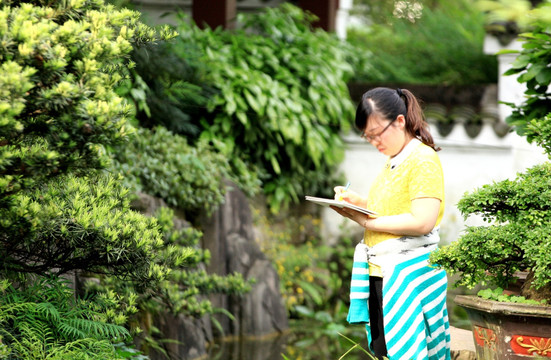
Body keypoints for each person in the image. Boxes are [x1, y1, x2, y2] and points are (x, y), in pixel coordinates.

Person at [330, 87, 451, 360]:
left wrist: (367, 222)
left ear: (399, 120)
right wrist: (356, 202)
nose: (374, 142)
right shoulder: (393, 160)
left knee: (407, 351)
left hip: (408, 274)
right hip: (382, 270)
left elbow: (422, 221)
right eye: (368, 137)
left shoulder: (422, 159)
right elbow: (387, 210)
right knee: (387, 352)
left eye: (376, 133)